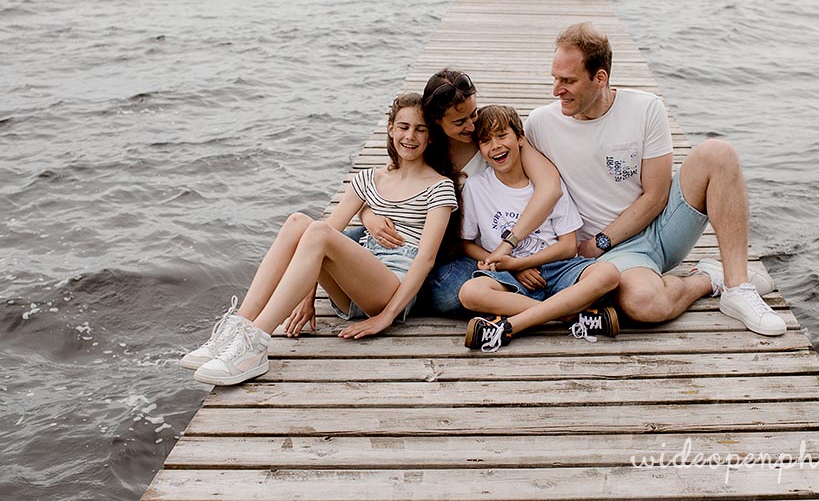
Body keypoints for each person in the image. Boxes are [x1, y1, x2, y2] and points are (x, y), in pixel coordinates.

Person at [523, 23, 785, 336]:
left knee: (718, 152)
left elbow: (656, 195)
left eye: (568, 81)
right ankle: (707, 279)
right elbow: (513, 186)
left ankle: (738, 287)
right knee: (646, 304)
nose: (556, 90)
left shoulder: (645, 108)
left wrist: (600, 241)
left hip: (659, 228)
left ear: (600, 78)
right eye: (554, 79)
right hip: (615, 256)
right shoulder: (540, 125)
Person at [180, 93, 458, 386]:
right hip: (355, 282)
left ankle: (256, 344)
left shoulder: (439, 186)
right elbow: (325, 231)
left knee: (318, 231)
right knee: (298, 222)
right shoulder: (368, 179)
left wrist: (388, 316)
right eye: (403, 127)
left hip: (392, 285)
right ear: (390, 129)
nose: (410, 136)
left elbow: (426, 259)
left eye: (420, 129)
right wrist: (307, 296)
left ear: (431, 137)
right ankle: (238, 328)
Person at [358, 69, 565, 318]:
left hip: (471, 248)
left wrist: (506, 254)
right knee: (340, 240)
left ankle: (551, 309)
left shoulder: (492, 138)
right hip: (412, 236)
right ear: (436, 122)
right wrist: (367, 214)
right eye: (459, 122)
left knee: (448, 292)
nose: (471, 126)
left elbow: (550, 188)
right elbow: (383, 183)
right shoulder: (424, 143)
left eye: (473, 114)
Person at [455, 105, 622, 352]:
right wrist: (507, 265)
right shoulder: (476, 188)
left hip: (557, 268)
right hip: (510, 276)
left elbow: (568, 246)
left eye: (502, 136)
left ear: (520, 138)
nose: (496, 146)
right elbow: (466, 244)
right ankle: (570, 316)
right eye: (486, 140)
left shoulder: (546, 184)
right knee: (470, 292)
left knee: (608, 273)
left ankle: (510, 325)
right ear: (480, 149)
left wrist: (521, 263)